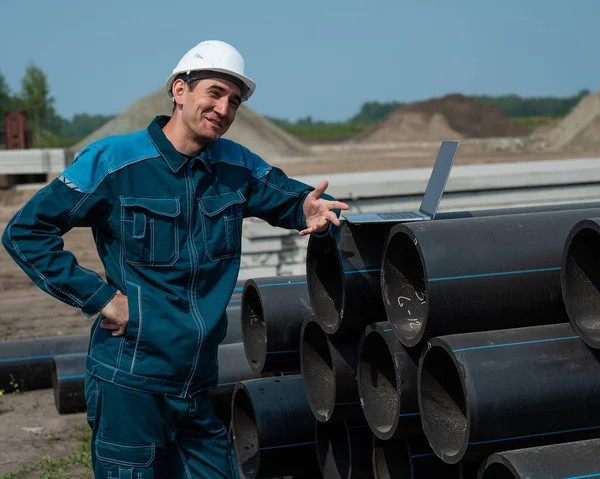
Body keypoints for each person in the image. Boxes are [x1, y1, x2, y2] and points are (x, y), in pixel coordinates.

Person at [1, 40, 349, 478]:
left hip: (197, 382)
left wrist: (311, 208)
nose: (224, 108)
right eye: (215, 93)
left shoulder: (236, 164)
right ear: (180, 91)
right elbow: (25, 232)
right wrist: (100, 297)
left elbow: (292, 198)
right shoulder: (113, 161)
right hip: (130, 380)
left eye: (234, 101)